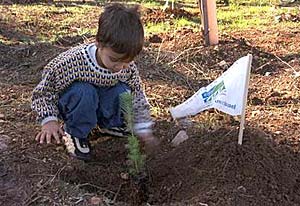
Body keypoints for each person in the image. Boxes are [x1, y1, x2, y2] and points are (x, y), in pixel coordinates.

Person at [31, 3, 159, 161]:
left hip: (100, 102)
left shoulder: (127, 68)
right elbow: (43, 92)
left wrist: (143, 126)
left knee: (123, 91)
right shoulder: (71, 63)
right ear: (99, 43)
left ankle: (109, 124)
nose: (120, 67)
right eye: (114, 60)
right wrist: (48, 120)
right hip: (77, 103)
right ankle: (76, 132)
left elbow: (138, 94)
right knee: (84, 91)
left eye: (127, 61)